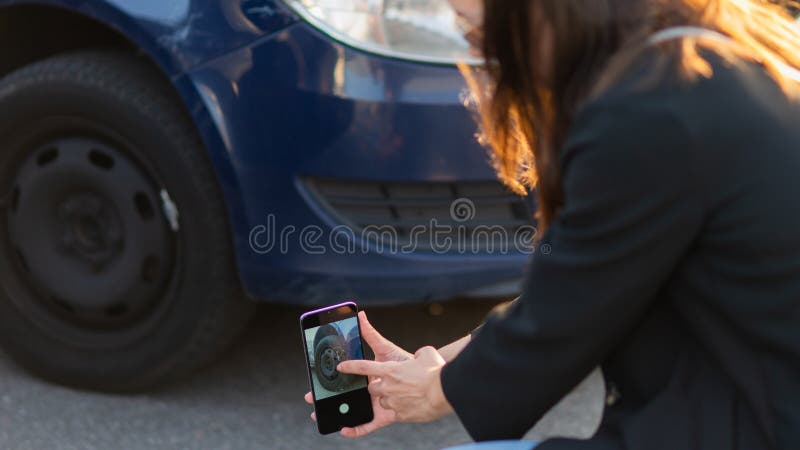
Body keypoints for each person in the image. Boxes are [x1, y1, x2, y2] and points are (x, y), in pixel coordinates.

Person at [303, 1, 800, 448]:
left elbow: (565, 315)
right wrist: (436, 364)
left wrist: (434, 391)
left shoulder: (650, 114)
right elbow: (587, 284)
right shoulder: (706, 59)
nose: (472, 47)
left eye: (474, 26)